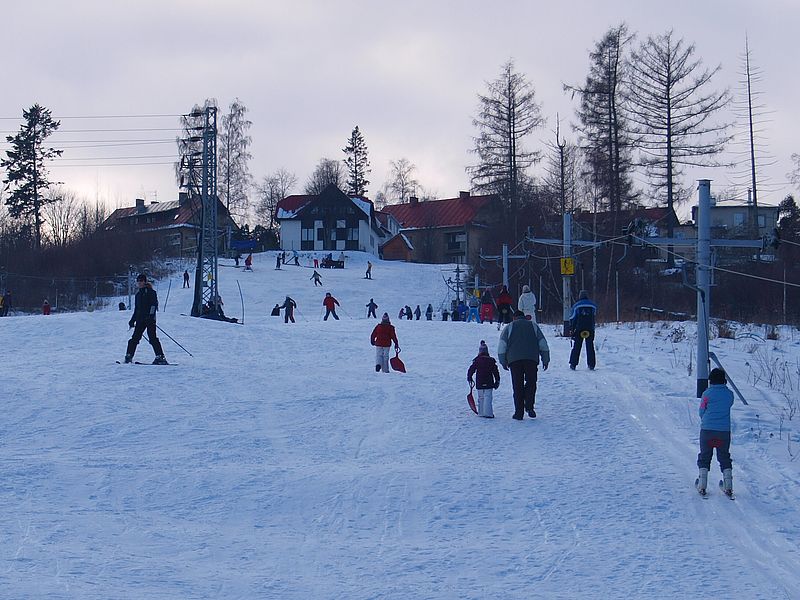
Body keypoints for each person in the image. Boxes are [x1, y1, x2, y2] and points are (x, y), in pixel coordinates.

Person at [498, 310, 550, 420]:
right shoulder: (533, 326)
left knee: (517, 385)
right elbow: (542, 343)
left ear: (514, 318)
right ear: (524, 317)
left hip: (514, 360)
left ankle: (519, 413)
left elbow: (502, 345)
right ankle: (529, 406)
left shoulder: (509, 327)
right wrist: (545, 359)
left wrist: (503, 361)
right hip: (531, 359)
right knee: (531, 382)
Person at [696, 368, 735, 497]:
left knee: (705, 456)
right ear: (724, 380)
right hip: (724, 431)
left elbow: (702, 411)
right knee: (724, 456)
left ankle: (702, 484)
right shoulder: (729, 394)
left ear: (710, 380)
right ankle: (728, 485)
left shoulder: (706, 394)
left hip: (707, 430)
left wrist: (705, 419)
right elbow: (728, 405)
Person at [124, 273, 167, 364]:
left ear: (145, 282)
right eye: (138, 281)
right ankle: (129, 355)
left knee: (152, 337)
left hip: (150, 320)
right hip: (140, 320)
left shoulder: (151, 292)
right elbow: (137, 309)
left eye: (141, 281)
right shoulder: (138, 294)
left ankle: (160, 356)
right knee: (134, 338)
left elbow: (154, 305)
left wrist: (151, 316)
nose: (139, 283)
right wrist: (132, 320)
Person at [467, 340, 501, 418]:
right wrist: (497, 380)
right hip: (489, 382)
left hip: (479, 382)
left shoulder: (477, 360)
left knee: (481, 397)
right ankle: (488, 413)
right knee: (488, 397)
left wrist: (469, 377)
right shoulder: (491, 360)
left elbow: (471, 369)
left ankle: (481, 412)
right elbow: (496, 372)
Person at [568, 290, 598, 370]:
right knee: (590, 346)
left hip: (579, 329)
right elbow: (594, 315)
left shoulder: (576, 305)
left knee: (577, 346)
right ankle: (591, 364)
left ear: (580, 296)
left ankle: (573, 364)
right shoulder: (593, 305)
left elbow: (572, 317)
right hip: (590, 329)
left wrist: (572, 328)